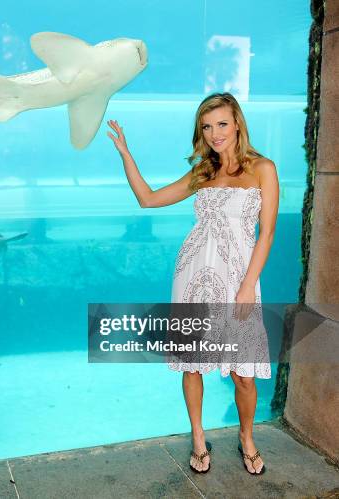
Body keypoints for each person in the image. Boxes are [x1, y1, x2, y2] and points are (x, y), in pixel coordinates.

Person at [107, 92, 279, 476]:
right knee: (192, 365)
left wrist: (249, 285)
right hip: (193, 274)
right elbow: (148, 200)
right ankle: (199, 438)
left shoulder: (263, 168)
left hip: (239, 279)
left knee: (244, 373)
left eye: (221, 123)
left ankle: (246, 438)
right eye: (206, 126)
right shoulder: (203, 171)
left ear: (237, 123)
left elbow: (266, 232)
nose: (215, 133)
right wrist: (125, 153)